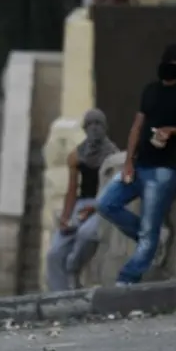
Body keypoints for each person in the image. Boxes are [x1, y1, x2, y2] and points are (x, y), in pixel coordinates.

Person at [96, 43, 176, 286]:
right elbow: (137, 126)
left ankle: (127, 278)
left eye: (174, 64)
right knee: (105, 204)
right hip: (140, 165)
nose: (169, 68)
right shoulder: (150, 91)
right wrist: (128, 163)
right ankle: (154, 239)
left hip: (165, 170)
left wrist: (172, 131)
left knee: (149, 231)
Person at [46, 109, 118, 291]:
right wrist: (65, 217)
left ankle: (73, 266)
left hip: (102, 205)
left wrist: (94, 209)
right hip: (81, 204)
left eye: (98, 124)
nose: (94, 128)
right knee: (54, 253)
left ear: (105, 127)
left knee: (87, 234)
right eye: (90, 124)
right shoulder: (77, 155)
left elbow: (112, 191)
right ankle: (59, 297)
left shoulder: (113, 155)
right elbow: (72, 190)